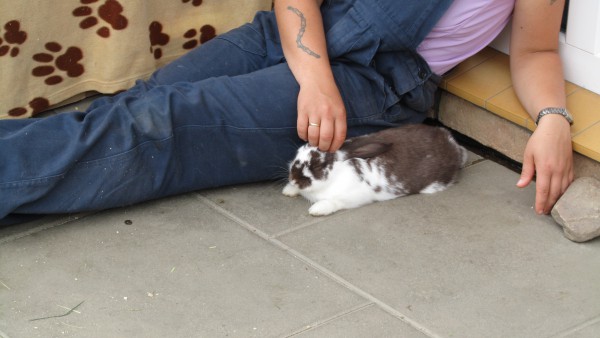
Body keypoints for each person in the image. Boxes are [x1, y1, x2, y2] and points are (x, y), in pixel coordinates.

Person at [0, 0, 573, 223]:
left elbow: (537, 49)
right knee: (138, 103)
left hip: (372, 83)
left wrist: (552, 118)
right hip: (296, 34)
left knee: (157, 127)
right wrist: (314, 79)